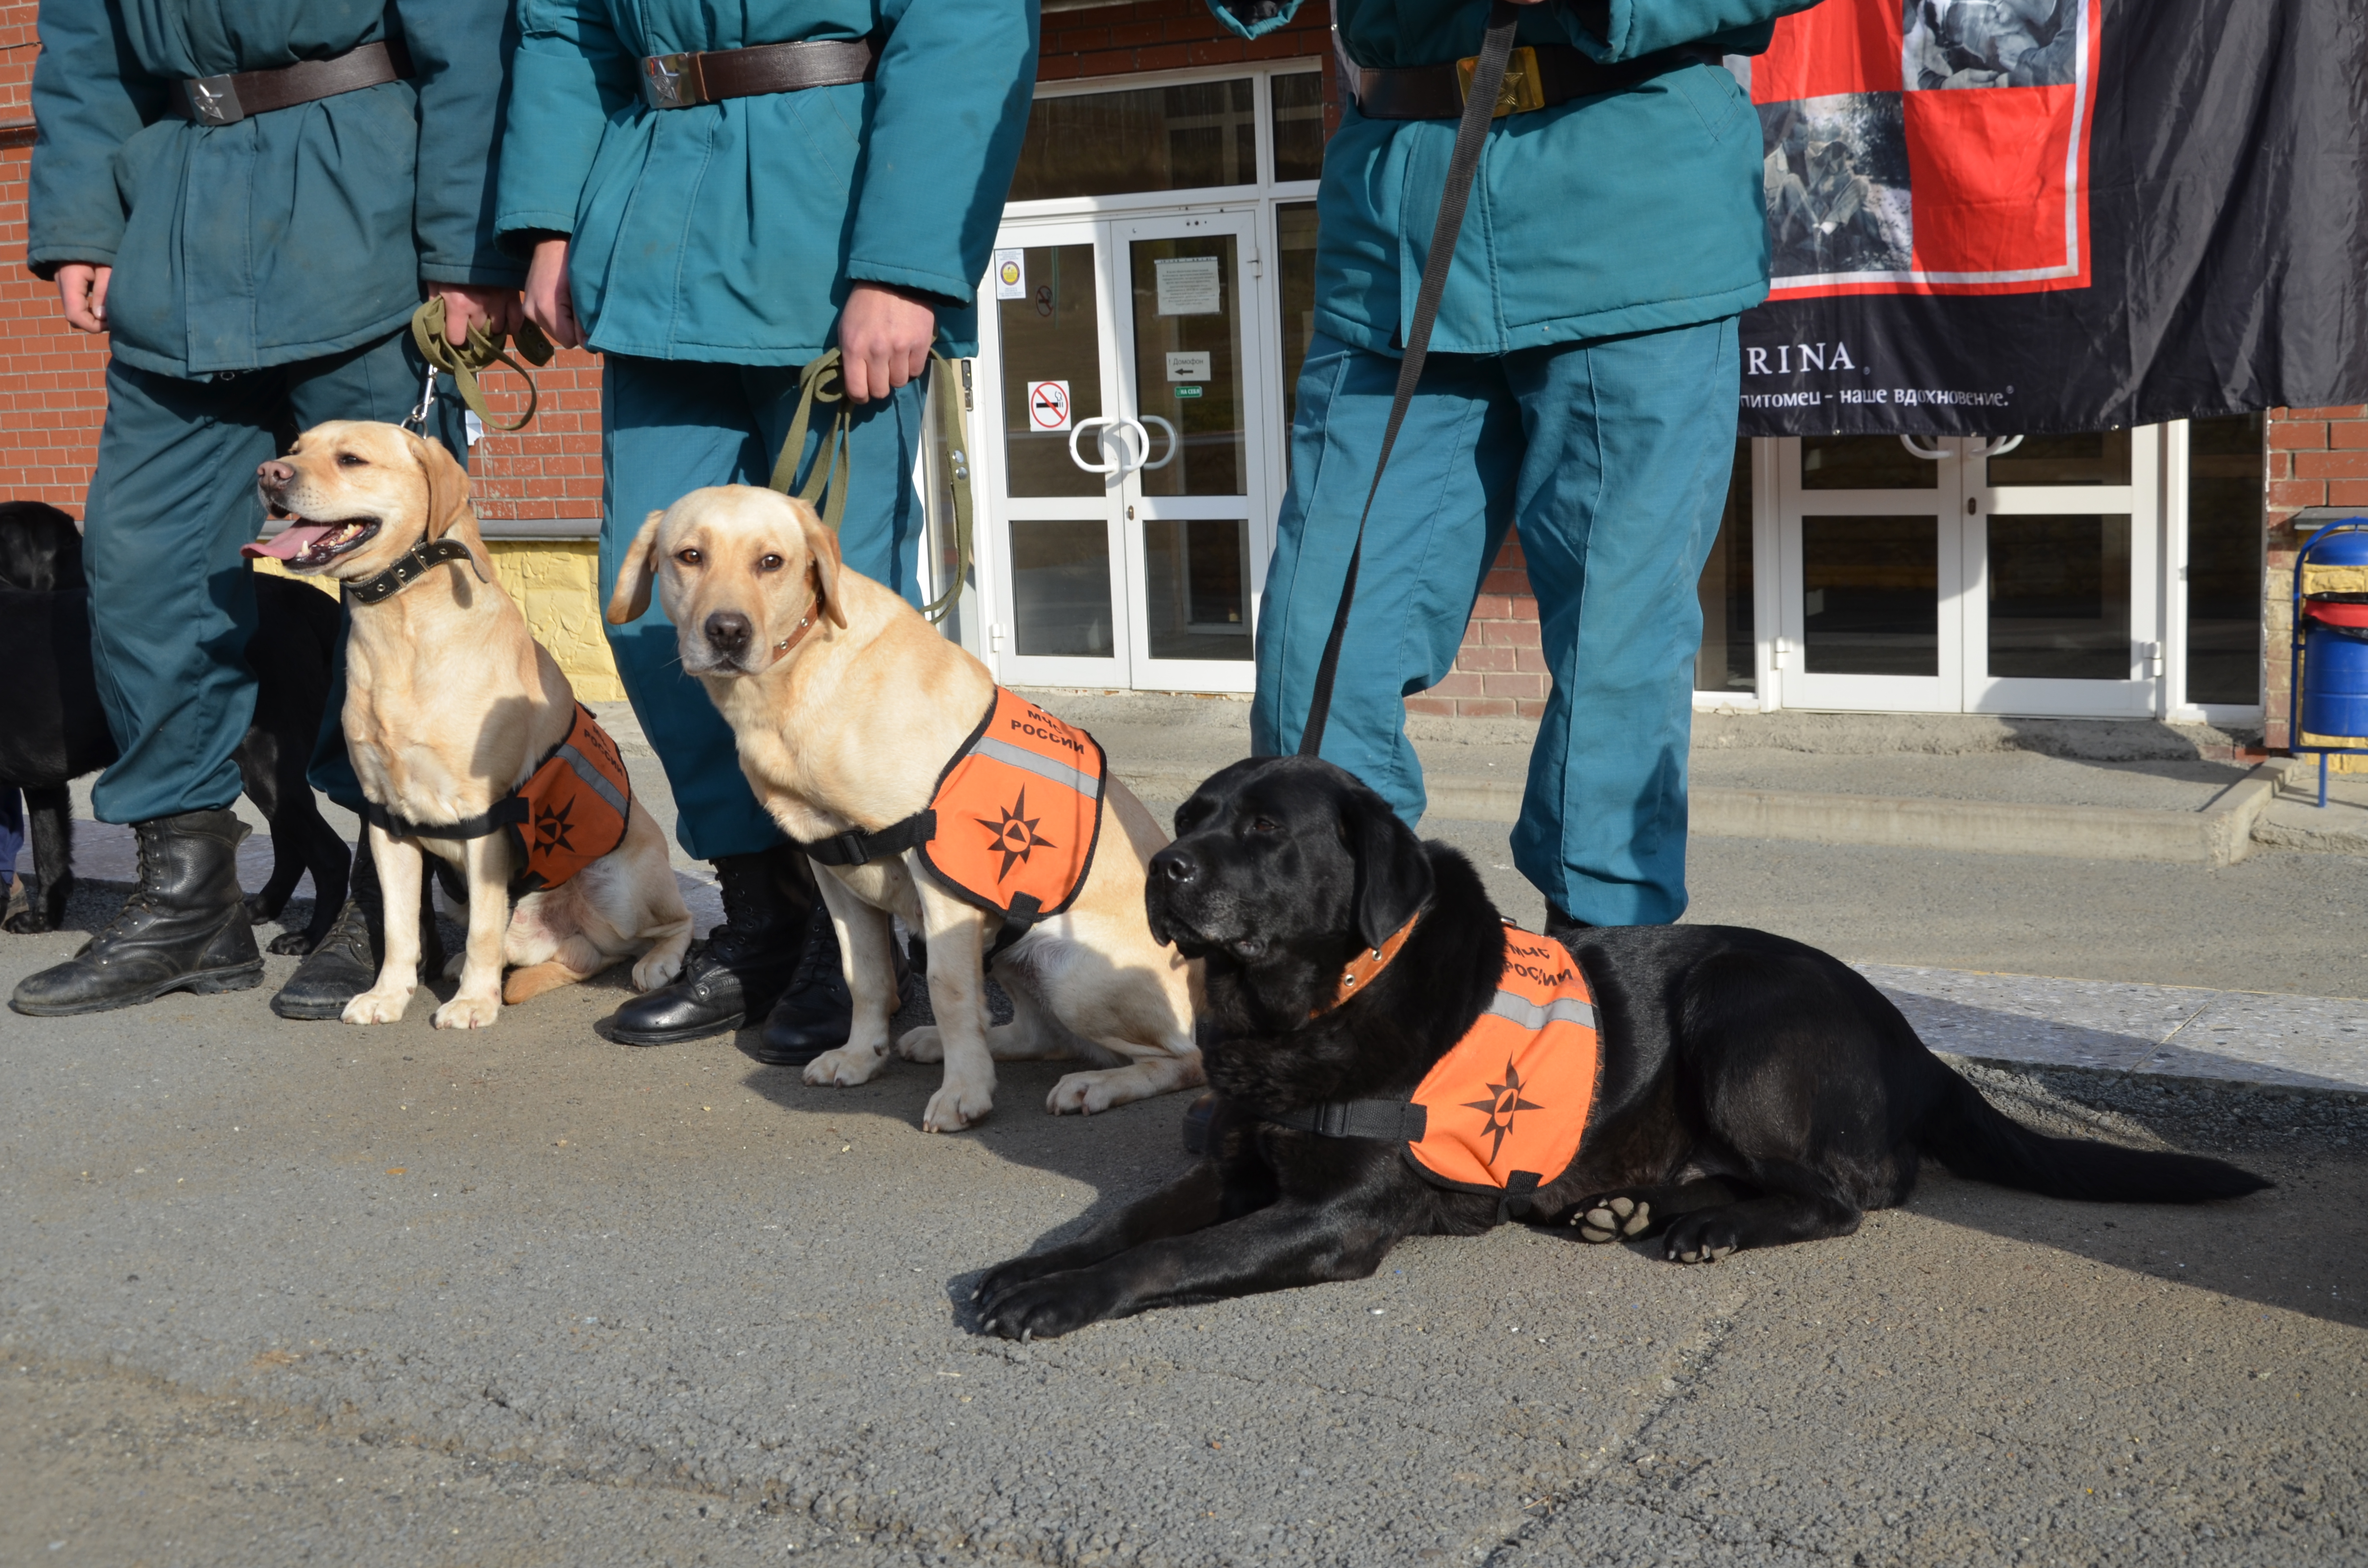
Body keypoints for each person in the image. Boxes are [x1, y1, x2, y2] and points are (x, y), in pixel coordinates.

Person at [499, 1, 1036, 1059]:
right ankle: (763, 921)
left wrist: (907, 262)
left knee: (842, 630)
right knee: (660, 613)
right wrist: (551, 218)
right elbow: (563, 27)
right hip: (654, 232)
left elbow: (962, 30)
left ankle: (878, 951)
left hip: (831, 230)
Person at [1211, 0, 1810, 940]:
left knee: (1617, 647)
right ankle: (1331, 988)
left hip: (1631, 207)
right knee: (1319, 639)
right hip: (1396, 218)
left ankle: (1606, 1002)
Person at [15, 1, 520, 1018]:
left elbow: (470, 40)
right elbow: (81, 49)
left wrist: (467, 244)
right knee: (141, 564)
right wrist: (81, 220)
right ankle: (191, 895)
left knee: (397, 588)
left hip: (364, 226)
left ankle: (395, 901)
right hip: (173, 240)